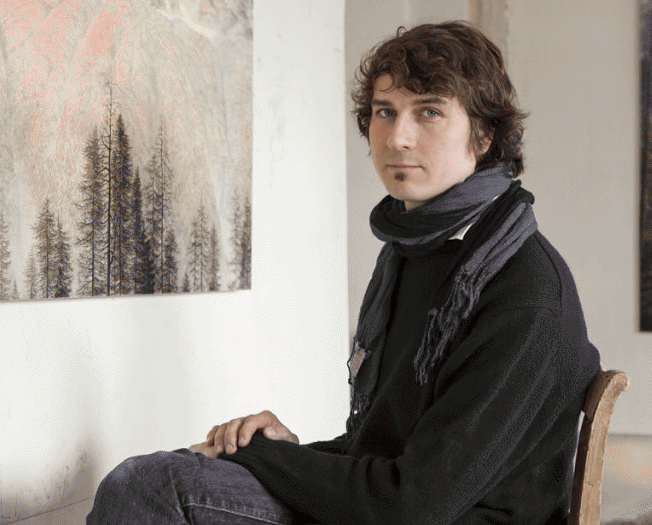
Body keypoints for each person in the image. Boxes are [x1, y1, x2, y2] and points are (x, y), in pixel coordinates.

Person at [86, 21, 600, 525]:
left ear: (484, 134)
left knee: (151, 485)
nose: (398, 137)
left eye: (429, 112)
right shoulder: (414, 252)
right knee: (171, 470)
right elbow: (384, 450)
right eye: (384, 111)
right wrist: (277, 450)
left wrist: (262, 457)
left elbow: (412, 504)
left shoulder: (522, 290)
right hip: (399, 508)